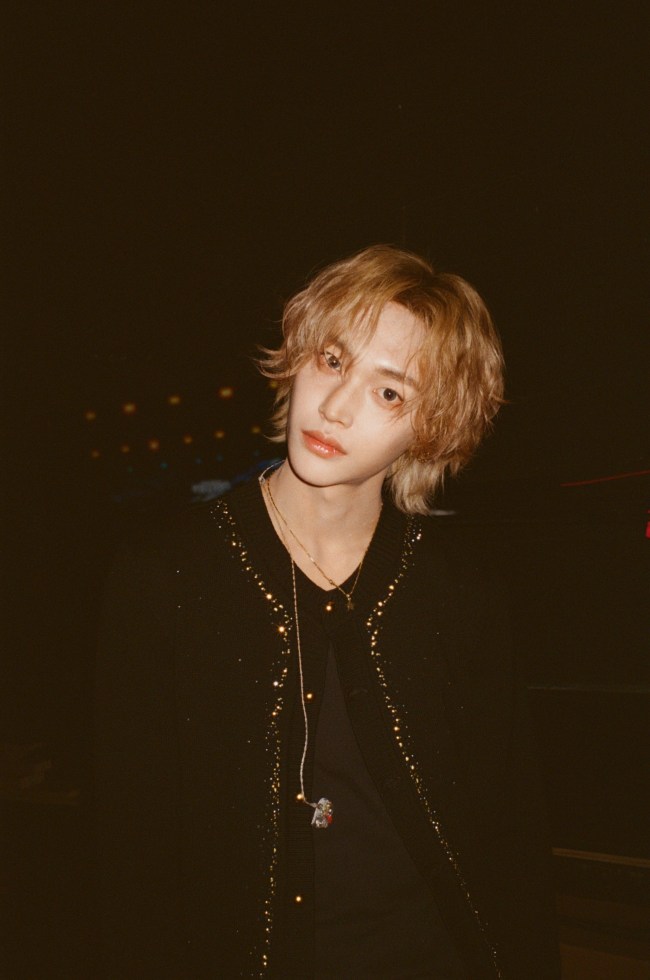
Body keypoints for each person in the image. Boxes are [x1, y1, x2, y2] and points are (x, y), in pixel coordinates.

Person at [96, 245, 560, 978]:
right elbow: (133, 851)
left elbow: (511, 836)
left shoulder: (460, 590)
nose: (337, 406)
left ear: (431, 426)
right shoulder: (166, 573)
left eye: (390, 392)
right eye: (334, 359)